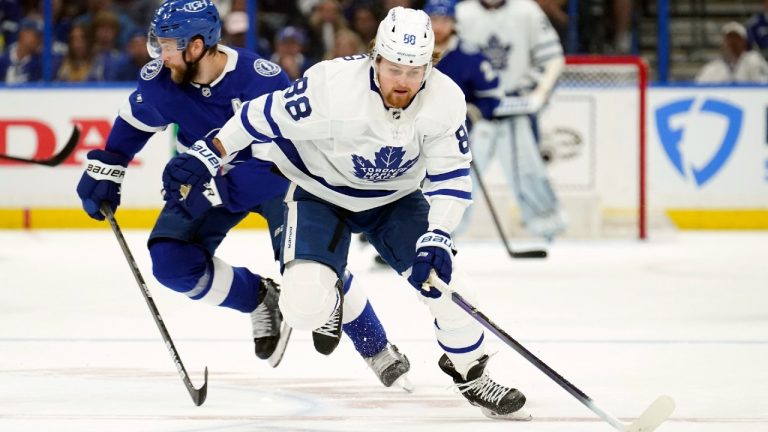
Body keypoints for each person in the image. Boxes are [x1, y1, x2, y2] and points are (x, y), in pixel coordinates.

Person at [163, 6, 530, 420]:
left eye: (416, 70)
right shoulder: (331, 85)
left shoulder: (444, 98)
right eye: (394, 69)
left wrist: (439, 234)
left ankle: (471, 374)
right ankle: (329, 290)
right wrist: (208, 153)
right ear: (376, 57)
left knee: (452, 289)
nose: (404, 82)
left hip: (394, 200)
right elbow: (256, 117)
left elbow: (451, 176)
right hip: (318, 192)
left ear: (431, 63)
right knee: (303, 309)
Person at [75, 0, 411, 389]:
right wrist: (108, 167)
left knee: (312, 264)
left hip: (280, 179)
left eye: (167, 45)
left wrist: (220, 190)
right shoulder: (163, 80)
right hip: (207, 179)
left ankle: (377, 348)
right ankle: (260, 299)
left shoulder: (261, 81)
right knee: (170, 262)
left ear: (197, 46)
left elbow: (285, 160)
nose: (159, 54)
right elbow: (135, 120)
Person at [455, 0, 567, 241]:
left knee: (527, 171)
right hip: (475, 112)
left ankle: (549, 231)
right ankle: (439, 234)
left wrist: (540, 93)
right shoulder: (462, 13)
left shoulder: (526, 10)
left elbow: (554, 58)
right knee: (457, 175)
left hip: (514, 108)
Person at [696, 21, 768, 84]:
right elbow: (698, 87)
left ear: (744, 42)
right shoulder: (713, 67)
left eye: (736, 38)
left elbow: (763, 84)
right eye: (729, 38)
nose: (732, 42)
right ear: (723, 42)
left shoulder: (754, 60)